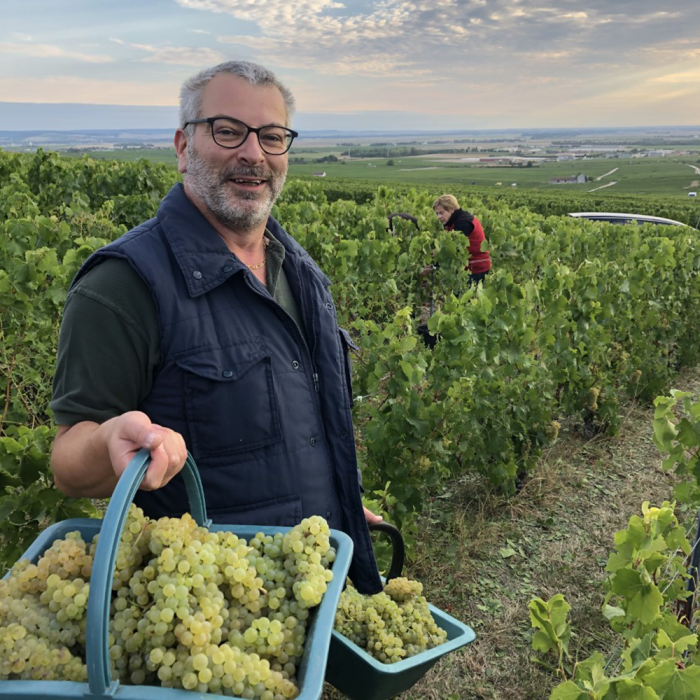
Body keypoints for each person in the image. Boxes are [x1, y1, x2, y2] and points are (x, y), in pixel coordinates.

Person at [49, 60, 382, 594]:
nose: (253, 154)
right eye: (228, 131)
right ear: (183, 146)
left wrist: (336, 501)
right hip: (212, 619)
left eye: (273, 137)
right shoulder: (123, 285)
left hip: (315, 588)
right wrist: (111, 439)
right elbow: (68, 463)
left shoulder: (300, 272)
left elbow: (296, 431)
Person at [432, 194, 491, 286]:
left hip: (476, 267)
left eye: (441, 213)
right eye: (437, 214)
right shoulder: (452, 222)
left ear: (451, 209)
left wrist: (434, 267)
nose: (439, 217)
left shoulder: (463, 222)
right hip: (468, 268)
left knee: (464, 298)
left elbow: (453, 251)